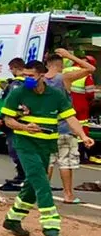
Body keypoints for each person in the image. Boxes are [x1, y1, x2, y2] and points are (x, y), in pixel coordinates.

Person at [0, 58, 93, 236]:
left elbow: (70, 118)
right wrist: (24, 127)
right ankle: (51, 228)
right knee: (42, 183)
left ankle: (13, 219)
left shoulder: (55, 95)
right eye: (24, 75)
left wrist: (83, 136)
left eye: (30, 76)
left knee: (32, 185)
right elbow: (7, 120)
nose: (26, 79)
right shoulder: (17, 93)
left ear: (42, 76)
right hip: (26, 145)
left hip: (46, 146)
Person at [47, 49, 96, 202]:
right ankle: (68, 195)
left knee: (47, 162)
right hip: (65, 126)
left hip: (46, 128)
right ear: (61, 65)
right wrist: (70, 56)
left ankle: (41, 192)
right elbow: (90, 69)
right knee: (65, 162)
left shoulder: (40, 80)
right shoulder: (65, 78)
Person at [0, 58, 28, 192]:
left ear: (15, 68)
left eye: (11, 69)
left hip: (15, 121)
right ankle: (23, 175)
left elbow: (9, 104)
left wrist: (1, 118)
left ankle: (22, 176)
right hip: (27, 120)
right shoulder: (31, 83)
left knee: (15, 150)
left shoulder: (15, 84)